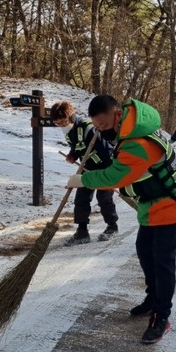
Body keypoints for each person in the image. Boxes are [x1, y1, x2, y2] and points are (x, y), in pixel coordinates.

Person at [66, 95, 176, 344]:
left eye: (103, 124)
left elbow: (116, 177)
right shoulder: (131, 132)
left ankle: (161, 316)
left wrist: (83, 180)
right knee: (145, 252)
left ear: (118, 114)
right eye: (97, 126)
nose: (101, 130)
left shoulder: (137, 143)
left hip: (170, 205)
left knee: (162, 261)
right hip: (151, 206)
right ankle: (152, 299)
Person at [50, 100, 118, 245]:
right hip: (86, 167)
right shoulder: (69, 131)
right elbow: (77, 147)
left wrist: (108, 172)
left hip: (104, 166)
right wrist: (72, 155)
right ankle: (82, 232)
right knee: (81, 198)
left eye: (63, 121)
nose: (61, 125)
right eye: (58, 123)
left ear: (70, 116)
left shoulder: (88, 127)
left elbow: (106, 147)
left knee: (103, 198)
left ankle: (112, 226)